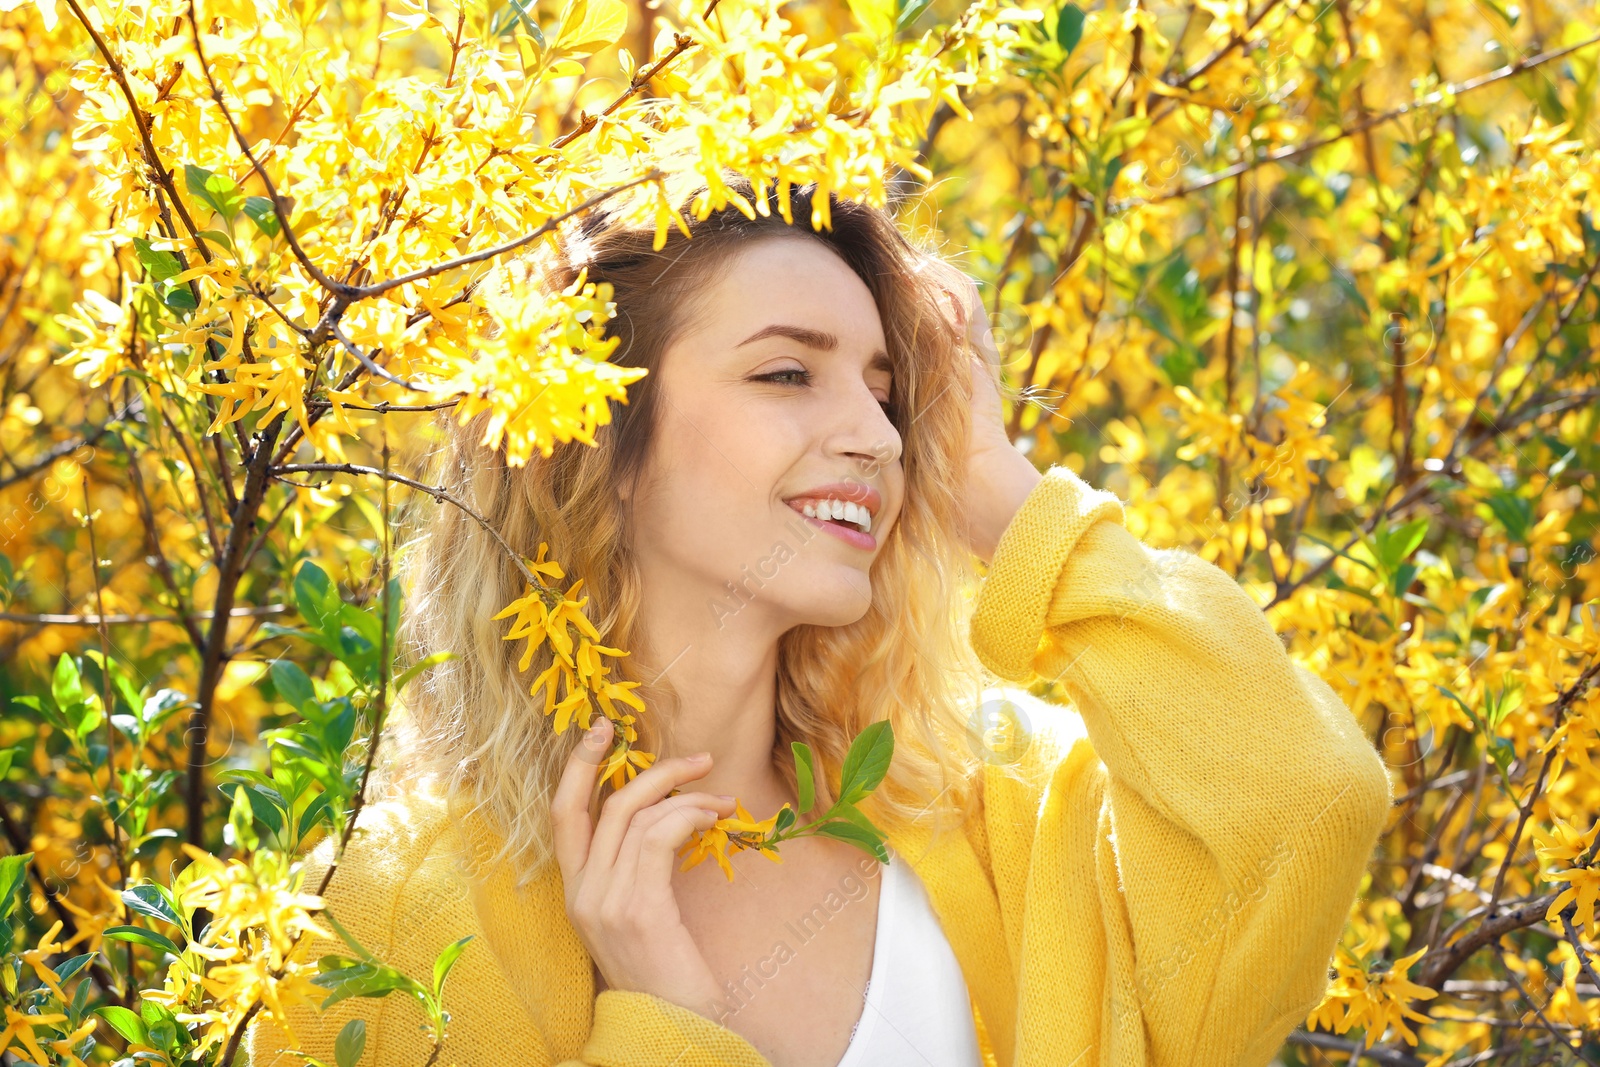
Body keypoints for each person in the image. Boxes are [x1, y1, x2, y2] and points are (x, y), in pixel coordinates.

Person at [246, 173, 1393, 1067]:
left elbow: (1305, 802)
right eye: (788, 374)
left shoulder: (993, 806)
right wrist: (667, 1021)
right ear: (601, 436)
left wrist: (997, 491)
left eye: (888, 391)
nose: (878, 437)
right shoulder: (395, 908)